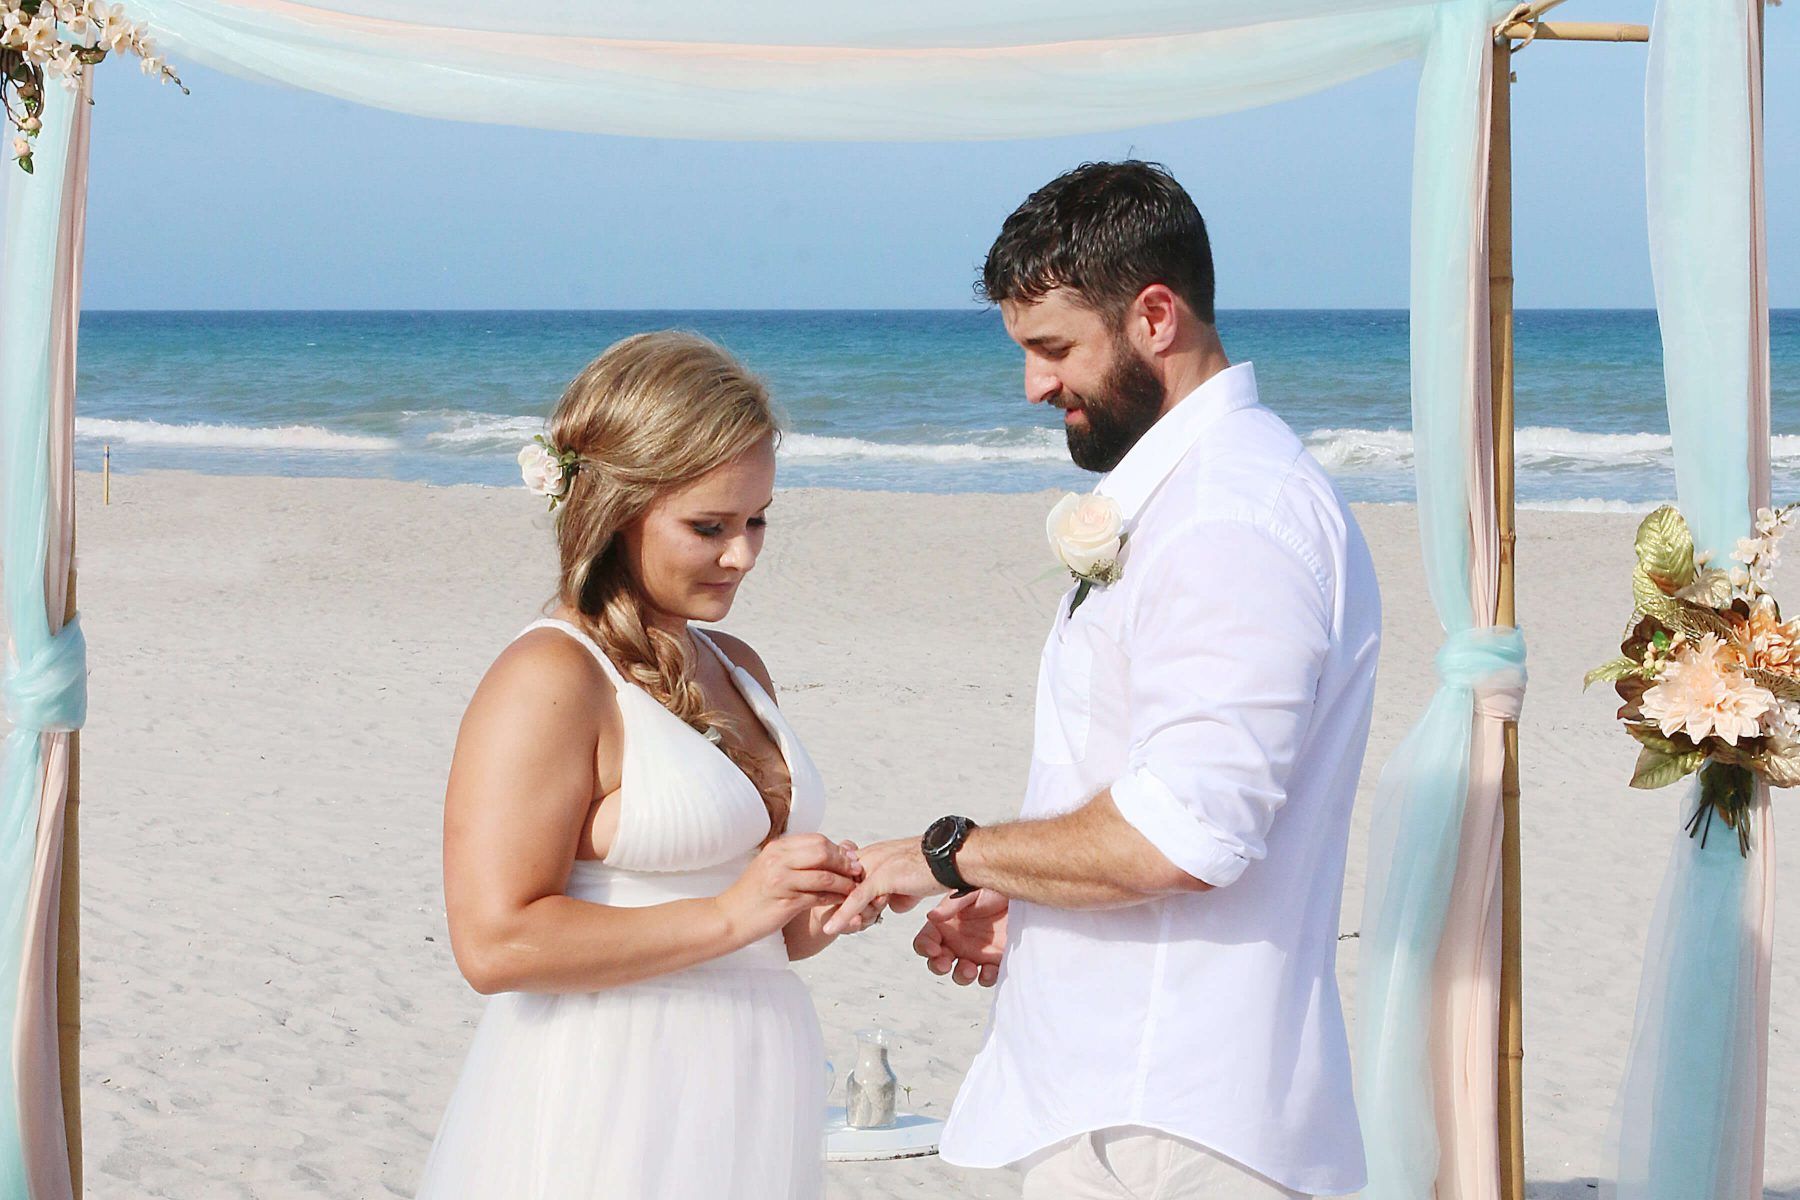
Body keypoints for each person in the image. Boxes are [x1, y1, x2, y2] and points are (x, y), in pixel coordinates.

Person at [825, 161, 1382, 1198]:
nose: (1034, 385)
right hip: (1123, 1089)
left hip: (1168, 1120)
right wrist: (1029, 898)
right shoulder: (1195, 501)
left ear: (1155, 317)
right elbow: (1155, 787)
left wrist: (952, 857)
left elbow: (1184, 834)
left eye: (1053, 348)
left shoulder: (1230, 523)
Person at [417, 331, 872, 1199]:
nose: (743, 554)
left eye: (758, 520)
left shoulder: (737, 663)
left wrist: (846, 891)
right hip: (613, 1094)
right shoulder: (551, 676)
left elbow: (761, 931)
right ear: (615, 511)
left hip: (753, 1080)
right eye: (710, 527)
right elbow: (494, 941)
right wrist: (735, 913)